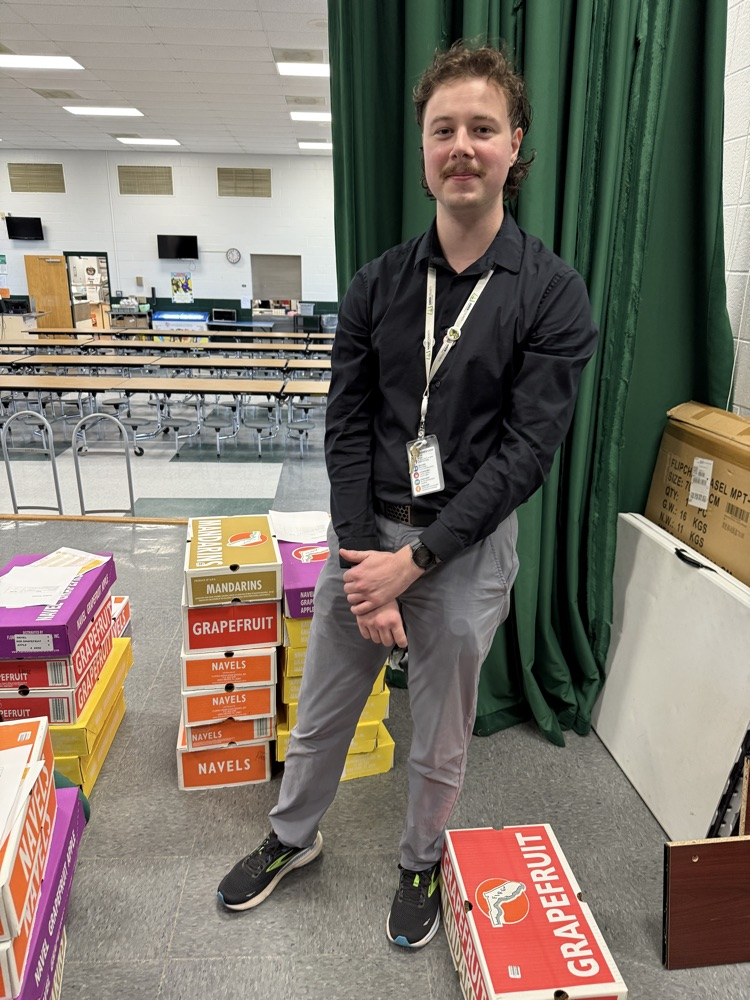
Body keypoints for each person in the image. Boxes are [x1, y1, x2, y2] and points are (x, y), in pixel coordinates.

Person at [217, 41, 598, 949]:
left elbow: (525, 456)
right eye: (442, 130)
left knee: (439, 734)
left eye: (481, 128)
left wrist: (415, 564)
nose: (461, 145)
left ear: (515, 146)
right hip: (364, 536)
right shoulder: (378, 282)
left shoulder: (552, 295)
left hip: (465, 552)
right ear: (424, 152)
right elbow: (346, 429)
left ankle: (423, 857)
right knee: (321, 715)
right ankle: (289, 838)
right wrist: (363, 562)